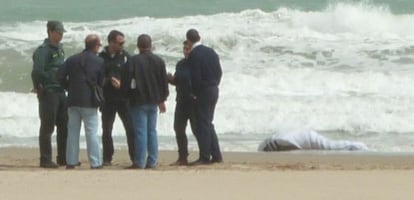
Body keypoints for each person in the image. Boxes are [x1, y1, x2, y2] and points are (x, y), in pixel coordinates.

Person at [57, 34, 104, 169]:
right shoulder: (99, 61)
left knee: (72, 132)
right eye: (99, 45)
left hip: (73, 99)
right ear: (95, 46)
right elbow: (101, 82)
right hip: (89, 101)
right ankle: (95, 162)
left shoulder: (72, 59)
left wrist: (68, 86)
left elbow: (59, 75)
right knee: (91, 133)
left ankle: (71, 161)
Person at [126, 34, 169, 169]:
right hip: (154, 100)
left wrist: (126, 95)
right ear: (150, 45)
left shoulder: (133, 61)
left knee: (140, 131)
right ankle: (152, 160)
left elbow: (127, 81)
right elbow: (164, 83)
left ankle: (139, 161)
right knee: (152, 131)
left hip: (138, 100)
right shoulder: (159, 61)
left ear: (138, 46)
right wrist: (162, 99)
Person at [31, 20, 68, 168]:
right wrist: (39, 86)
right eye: (58, 33)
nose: (60, 35)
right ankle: (45, 159)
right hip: (49, 92)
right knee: (48, 127)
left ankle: (63, 157)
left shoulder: (61, 48)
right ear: (50, 32)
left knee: (64, 125)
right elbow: (37, 72)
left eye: (62, 33)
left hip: (61, 91)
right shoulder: (42, 50)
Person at [186, 29, 223, 165]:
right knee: (208, 122)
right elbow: (219, 72)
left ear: (189, 40)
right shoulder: (211, 52)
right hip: (214, 88)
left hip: (203, 91)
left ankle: (205, 156)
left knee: (202, 123)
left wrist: (194, 92)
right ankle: (216, 154)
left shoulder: (194, 54)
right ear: (199, 37)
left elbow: (195, 76)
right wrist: (214, 84)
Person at [99, 30, 134, 166]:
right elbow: (97, 77)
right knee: (107, 129)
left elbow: (132, 76)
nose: (122, 45)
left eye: (123, 42)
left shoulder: (125, 57)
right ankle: (107, 157)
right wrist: (108, 81)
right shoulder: (101, 57)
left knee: (130, 128)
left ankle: (134, 156)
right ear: (111, 43)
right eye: (120, 43)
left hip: (123, 99)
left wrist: (122, 83)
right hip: (107, 99)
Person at [167, 40, 197, 166]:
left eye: (188, 49)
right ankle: (182, 157)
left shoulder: (197, 64)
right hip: (181, 101)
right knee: (178, 129)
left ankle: (205, 155)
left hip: (194, 102)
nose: (186, 51)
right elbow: (177, 80)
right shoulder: (180, 64)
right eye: (184, 49)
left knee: (197, 130)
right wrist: (171, 80)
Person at [258, 129, 369, 151]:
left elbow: (285, 143)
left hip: (307, 137)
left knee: (330, 146)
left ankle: (360, 146)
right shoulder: (272, 142)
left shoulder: (278, 141)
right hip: (304, 135)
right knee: (330, 145)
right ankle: (358, 147)